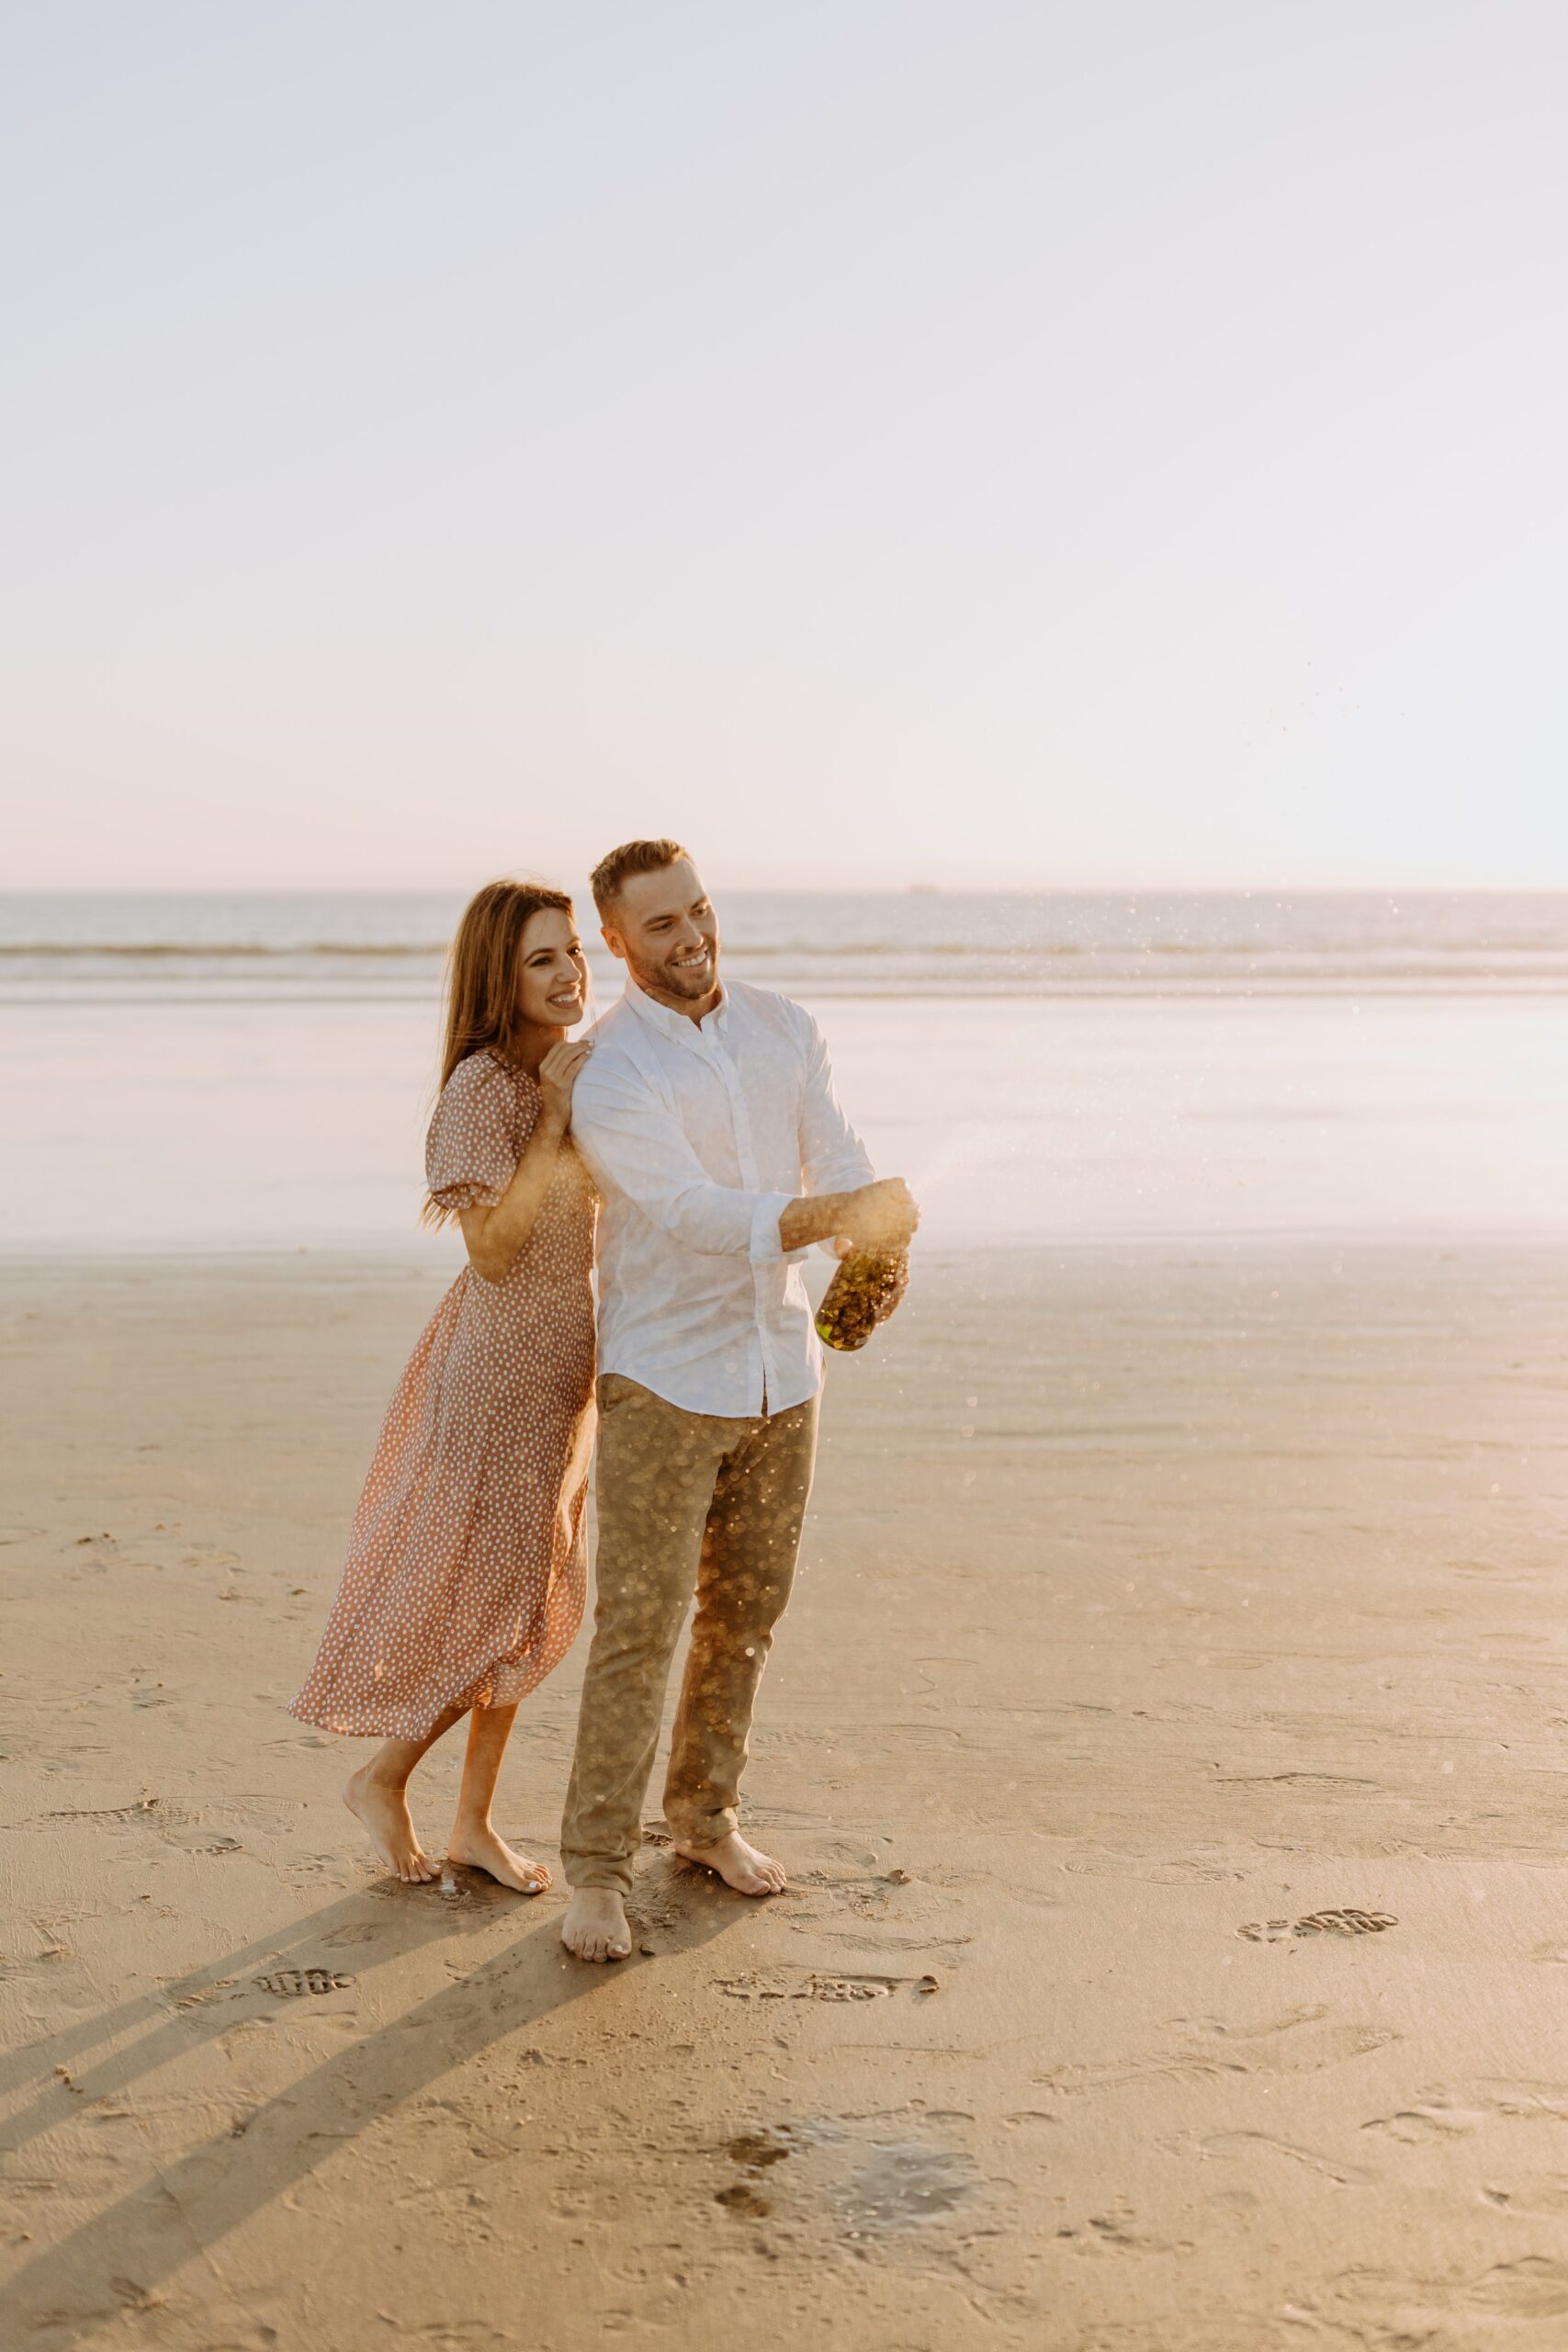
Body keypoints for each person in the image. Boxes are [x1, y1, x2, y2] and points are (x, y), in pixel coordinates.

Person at [557, 840, 919, 1962]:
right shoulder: (613, 1073)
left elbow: (839, 1153)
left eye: (699, 911)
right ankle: (595, 1872)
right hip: (664, 1375)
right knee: (639, 1626)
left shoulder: (784, 1025)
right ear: (615, 941)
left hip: (781, 1374)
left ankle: (704, 1819)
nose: (691, 937)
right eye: (659, 925)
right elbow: (696, 1211)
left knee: (746, 1617)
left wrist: (881, 1236)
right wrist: (829, 1221)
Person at [289, 878, 596, 1894]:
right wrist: (552, 1118)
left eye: (574, 951)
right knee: (492, 1600)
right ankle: (388, 1780)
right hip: (502, 1366)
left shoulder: (563, 1068)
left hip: (565, 1372)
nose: (569, 973)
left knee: (530, 1597)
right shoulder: (483, 1090)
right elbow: (498, 1250)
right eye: (541, 958)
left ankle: (471, 1822)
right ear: (498, 978)